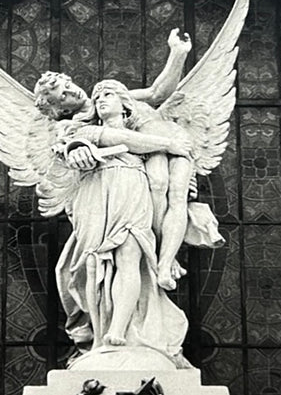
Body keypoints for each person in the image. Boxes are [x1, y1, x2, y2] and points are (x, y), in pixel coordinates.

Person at [34, 27, 218, 289]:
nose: (71, 92)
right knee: (156, 186)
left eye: (67, 86)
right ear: (60, 109)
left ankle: (166, 258)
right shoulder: (77, 124)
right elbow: (67, 147)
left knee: (174, 194)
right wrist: (75, 149)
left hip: (169, 140)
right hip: (147, 157)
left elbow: (158, 93)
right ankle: (159, 255)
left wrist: (178, 54)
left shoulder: (110, 94)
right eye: (62, 96)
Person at [54, 79, 190, 358]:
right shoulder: (89, 130)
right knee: (93, 263)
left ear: (125, 104)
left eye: (108, 95)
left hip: (130, 186)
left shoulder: (144, 129)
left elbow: (157, 94)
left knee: (129, 254)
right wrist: (170, 144)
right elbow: (124, 141)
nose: (101, 99)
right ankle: (99, 335)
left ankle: (118, 328)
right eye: (97, 96)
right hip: (96, 193)